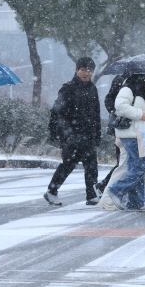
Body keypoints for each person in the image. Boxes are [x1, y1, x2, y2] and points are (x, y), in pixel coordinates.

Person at [44, 57, 101, 206]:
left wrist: (97, 134)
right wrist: (66, 135)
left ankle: (92, 195)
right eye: (83, 70)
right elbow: (58, 113)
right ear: (77, 70)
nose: (86, 74)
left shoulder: (92, 88)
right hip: (73, 134)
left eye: (89, 70)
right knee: (68, 164)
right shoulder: (68, 88)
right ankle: (51, 191)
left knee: (91, 166)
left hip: (88, 134)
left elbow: (96, 113)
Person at [106, 74, 145, 210]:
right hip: (131, 133)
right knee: (142, 166)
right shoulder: (128, 89)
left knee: (135, 166)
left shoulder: (141, 92)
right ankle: (116, 190)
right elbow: (120, 106)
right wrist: (140, 114)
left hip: (143, 133)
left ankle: (136, 202)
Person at [97, 137, 145, 211]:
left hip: (144, 133)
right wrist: (118, 135)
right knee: (130, 168)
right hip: (133, 134)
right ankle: (109, 198)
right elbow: (123, 122)